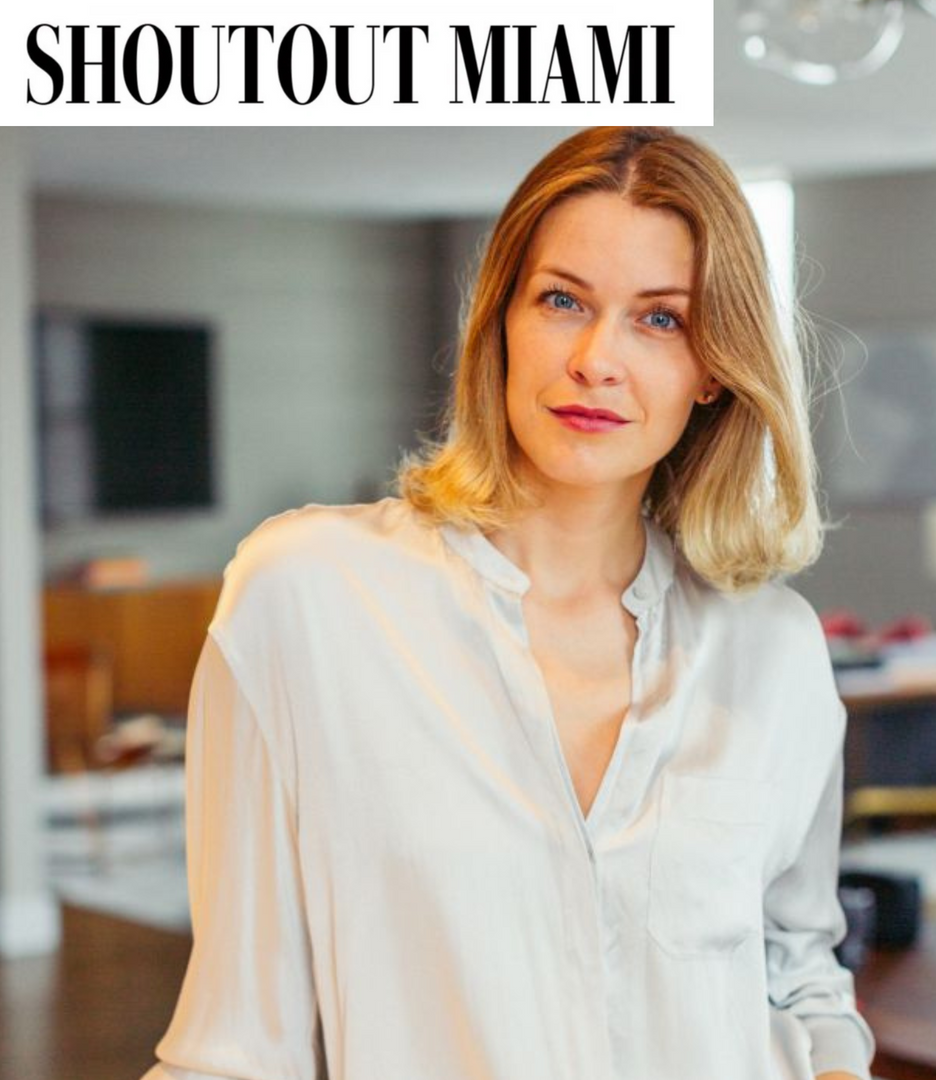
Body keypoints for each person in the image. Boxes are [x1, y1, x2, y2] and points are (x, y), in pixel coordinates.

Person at [140, 127, 875, 1080]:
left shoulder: (774, 648)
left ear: (713, 370)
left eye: (660, 319)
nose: (597, 360)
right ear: (502, 322)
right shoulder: (307, 595)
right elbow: (233, 1047)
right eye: (563, 300)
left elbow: (800, 977)